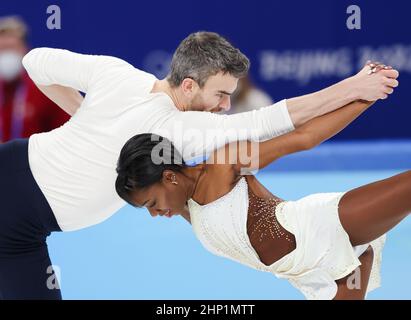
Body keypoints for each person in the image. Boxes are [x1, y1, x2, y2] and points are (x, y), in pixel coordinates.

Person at [0, 31, 397, 299]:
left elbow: (36, 61)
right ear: (188, 85)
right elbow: (273, 122)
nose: (225, 107)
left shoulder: (117, 74)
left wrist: (83, 115)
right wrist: (354, 88)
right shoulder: (183, 131)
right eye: (221, 94)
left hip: (21, 223)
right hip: (15, 194)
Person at [115, 81, 405, 299]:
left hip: (321, 226)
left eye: (151, 203)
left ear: (169, 178)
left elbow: (302, 138)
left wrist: (367, 96)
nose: (154, 213)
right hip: (315, 274)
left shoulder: (226, 164)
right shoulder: (182, 205)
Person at [0, 16, 69, 143]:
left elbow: (66, 137)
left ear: (24, 50)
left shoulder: (46, 89)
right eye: (2, 50)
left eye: (11, 48)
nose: (6, 55)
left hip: (34, 161)